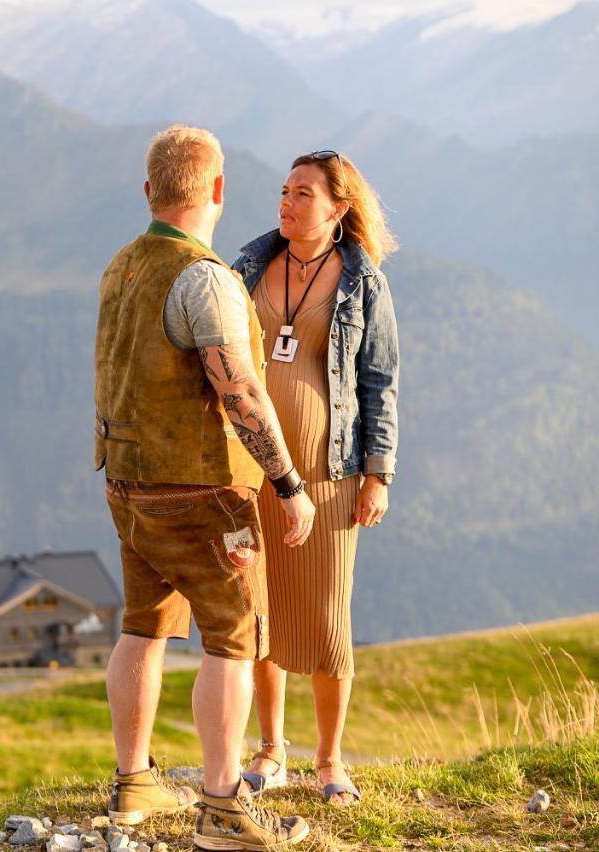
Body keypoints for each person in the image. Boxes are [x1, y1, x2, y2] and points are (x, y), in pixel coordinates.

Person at [95, 124, 315, 850]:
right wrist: (287, 482)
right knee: (232, 636)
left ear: (149, 191)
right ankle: (223, 808)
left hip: (127, 485)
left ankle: (135, 784)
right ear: (217, 190)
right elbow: (241, 392)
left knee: (143, 625)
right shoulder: (206, 278)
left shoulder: (120, 267)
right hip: (202, 493)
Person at [231, 150, 400, 806]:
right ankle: (271, 750)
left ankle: (328, 762)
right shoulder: (246, 267)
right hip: (250, 471)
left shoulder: (364, 283)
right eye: (284, 190)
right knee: (259, 613)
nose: (287, 201)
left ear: (339, 206)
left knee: (327, 620)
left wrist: (378, 473)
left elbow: (380, 382)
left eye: (304, 193)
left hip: (331, 476)